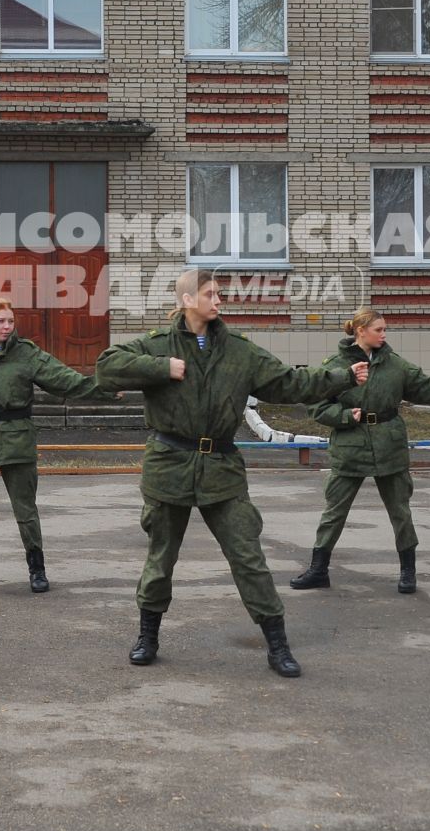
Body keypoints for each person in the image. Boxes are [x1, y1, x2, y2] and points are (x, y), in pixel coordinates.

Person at [94, 268, 366, 678]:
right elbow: (106, 368)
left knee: (248, 556)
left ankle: (277, 644)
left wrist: (342, 376)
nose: (219, 300)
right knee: (160, 560)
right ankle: (147, 637)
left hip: (221, 467)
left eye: (218, 294)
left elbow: (289, 383)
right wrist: (160, 368)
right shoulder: (157, 345)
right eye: (210, 294)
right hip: (170, 464)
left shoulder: (239, 351)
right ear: (188, 300)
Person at [0, 299, 115, 594]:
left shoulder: (25, 353)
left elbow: (63, 380)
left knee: (25, 510)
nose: (7, 327)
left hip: (17, 437)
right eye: (1, 321)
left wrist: (105, 390)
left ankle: (37, 570)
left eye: (11, 321)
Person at [291, 307, 430, 594]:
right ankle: (318, 570)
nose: (384, 334)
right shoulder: (336, 366)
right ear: (360, 331)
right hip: (350, 446)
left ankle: (408, 572)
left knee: (400, 511)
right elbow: (316, 404)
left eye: (384, 329)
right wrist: (344, 417)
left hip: (389, 445)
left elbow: (429, 388)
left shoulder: (395, 365)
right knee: (334, 511)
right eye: (378, 329)